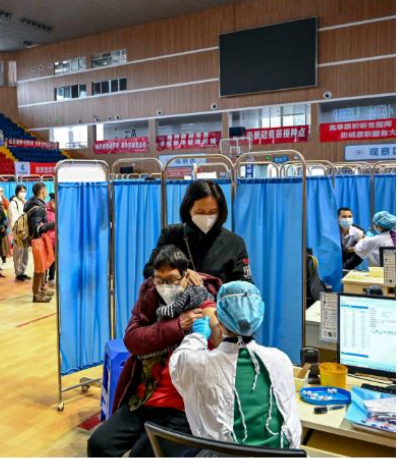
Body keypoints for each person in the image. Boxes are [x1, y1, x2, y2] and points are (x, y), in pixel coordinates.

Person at [87, 245, 216, 458]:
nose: (166, 287)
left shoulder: (202, 298)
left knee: (142, 454)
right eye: (159, 280)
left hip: (181, 408)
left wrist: (207, 320)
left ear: (186, 276)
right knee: (99, 444)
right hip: (144, 398)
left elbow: (217, 330)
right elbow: (132, 339)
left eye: (172, 280)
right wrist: (177, 326)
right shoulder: (150, 297)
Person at [169, 281, 302, 449]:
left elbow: (179, 365)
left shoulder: (198, 365)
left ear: (218, 318)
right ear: (259, 315)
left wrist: (198, 336)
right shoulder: (280, 359)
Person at [143, 180, 252, 285]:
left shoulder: (234, 243)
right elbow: (149, 270)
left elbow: (246, 283)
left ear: (220, 211)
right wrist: (179, 273)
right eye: (200, 212)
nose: (206, 217)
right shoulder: (171, 234)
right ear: (188, 209)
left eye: (212, 212)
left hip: (218, 302)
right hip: (176, 302)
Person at [24, 182, 54, 302]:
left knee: (43, 266)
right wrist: (53, 224)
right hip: (37, 240)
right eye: (46, 190)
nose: (47, 192)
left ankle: (41, 290)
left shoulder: (37, 205)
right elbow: (37, 229)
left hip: (41, 239)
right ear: (42, 192)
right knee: (39, 268)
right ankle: (36, 295)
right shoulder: (37, 208)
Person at [8, 185, 30, 282]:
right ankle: (18, 273)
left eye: (24, 191)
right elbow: (13, 218)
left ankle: (23, 271)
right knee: (18, 253)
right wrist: (16, 231)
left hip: (27, 231)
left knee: (25, 253)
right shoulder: (13, 203)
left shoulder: (26, 202)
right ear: (17, 192)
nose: (23, 193)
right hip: (18, 231)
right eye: (21, 191)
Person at [45, 192, 56, 286]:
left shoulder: (59, 210)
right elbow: (44, 225)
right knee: (46, 260)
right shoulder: (46, 210)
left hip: (56, 239)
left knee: (53, 260)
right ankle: (43, 278)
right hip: (48, 239)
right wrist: (54, 224)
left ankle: (51, 277)